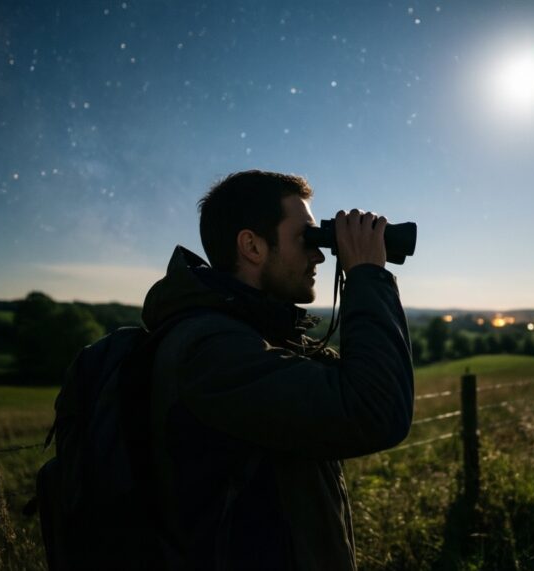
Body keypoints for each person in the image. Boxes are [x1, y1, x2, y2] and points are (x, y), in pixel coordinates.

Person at [141, 170, 415, 570]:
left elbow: (360, 384)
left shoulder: (257, 336)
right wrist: (366, 275)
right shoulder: (211, 352)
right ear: (251, 246)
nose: (320, 255)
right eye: (306, 238)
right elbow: (377, 409)